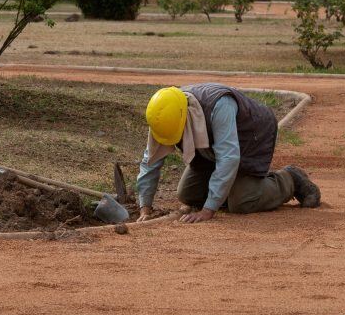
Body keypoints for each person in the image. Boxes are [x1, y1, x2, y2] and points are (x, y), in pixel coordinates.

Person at [136, 83, 321, 223]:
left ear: (187, 118)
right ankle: (230, 190)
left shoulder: (219, 105)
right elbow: (150, 161)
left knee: (242, 202)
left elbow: (229, 157)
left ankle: (290, 179)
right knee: (188, 194)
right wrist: (145, 207)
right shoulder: (163, 116)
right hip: (211, 149)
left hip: (251, 135)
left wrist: (209, 209)